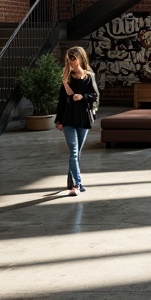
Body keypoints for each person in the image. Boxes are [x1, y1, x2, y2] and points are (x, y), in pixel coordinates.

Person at [55, 46, 98, 196]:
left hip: (84, 119)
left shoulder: (89, 76)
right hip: (68, 119)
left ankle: (71, 179)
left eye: (73, 58)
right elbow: (61, 101)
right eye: (69, 59)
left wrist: (82, 97)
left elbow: (95, 97)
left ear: (80, 58)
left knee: (77, 153)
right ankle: (77, 185)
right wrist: (58, 120)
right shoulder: (66, 77)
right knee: (73, 152)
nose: (71, 62)